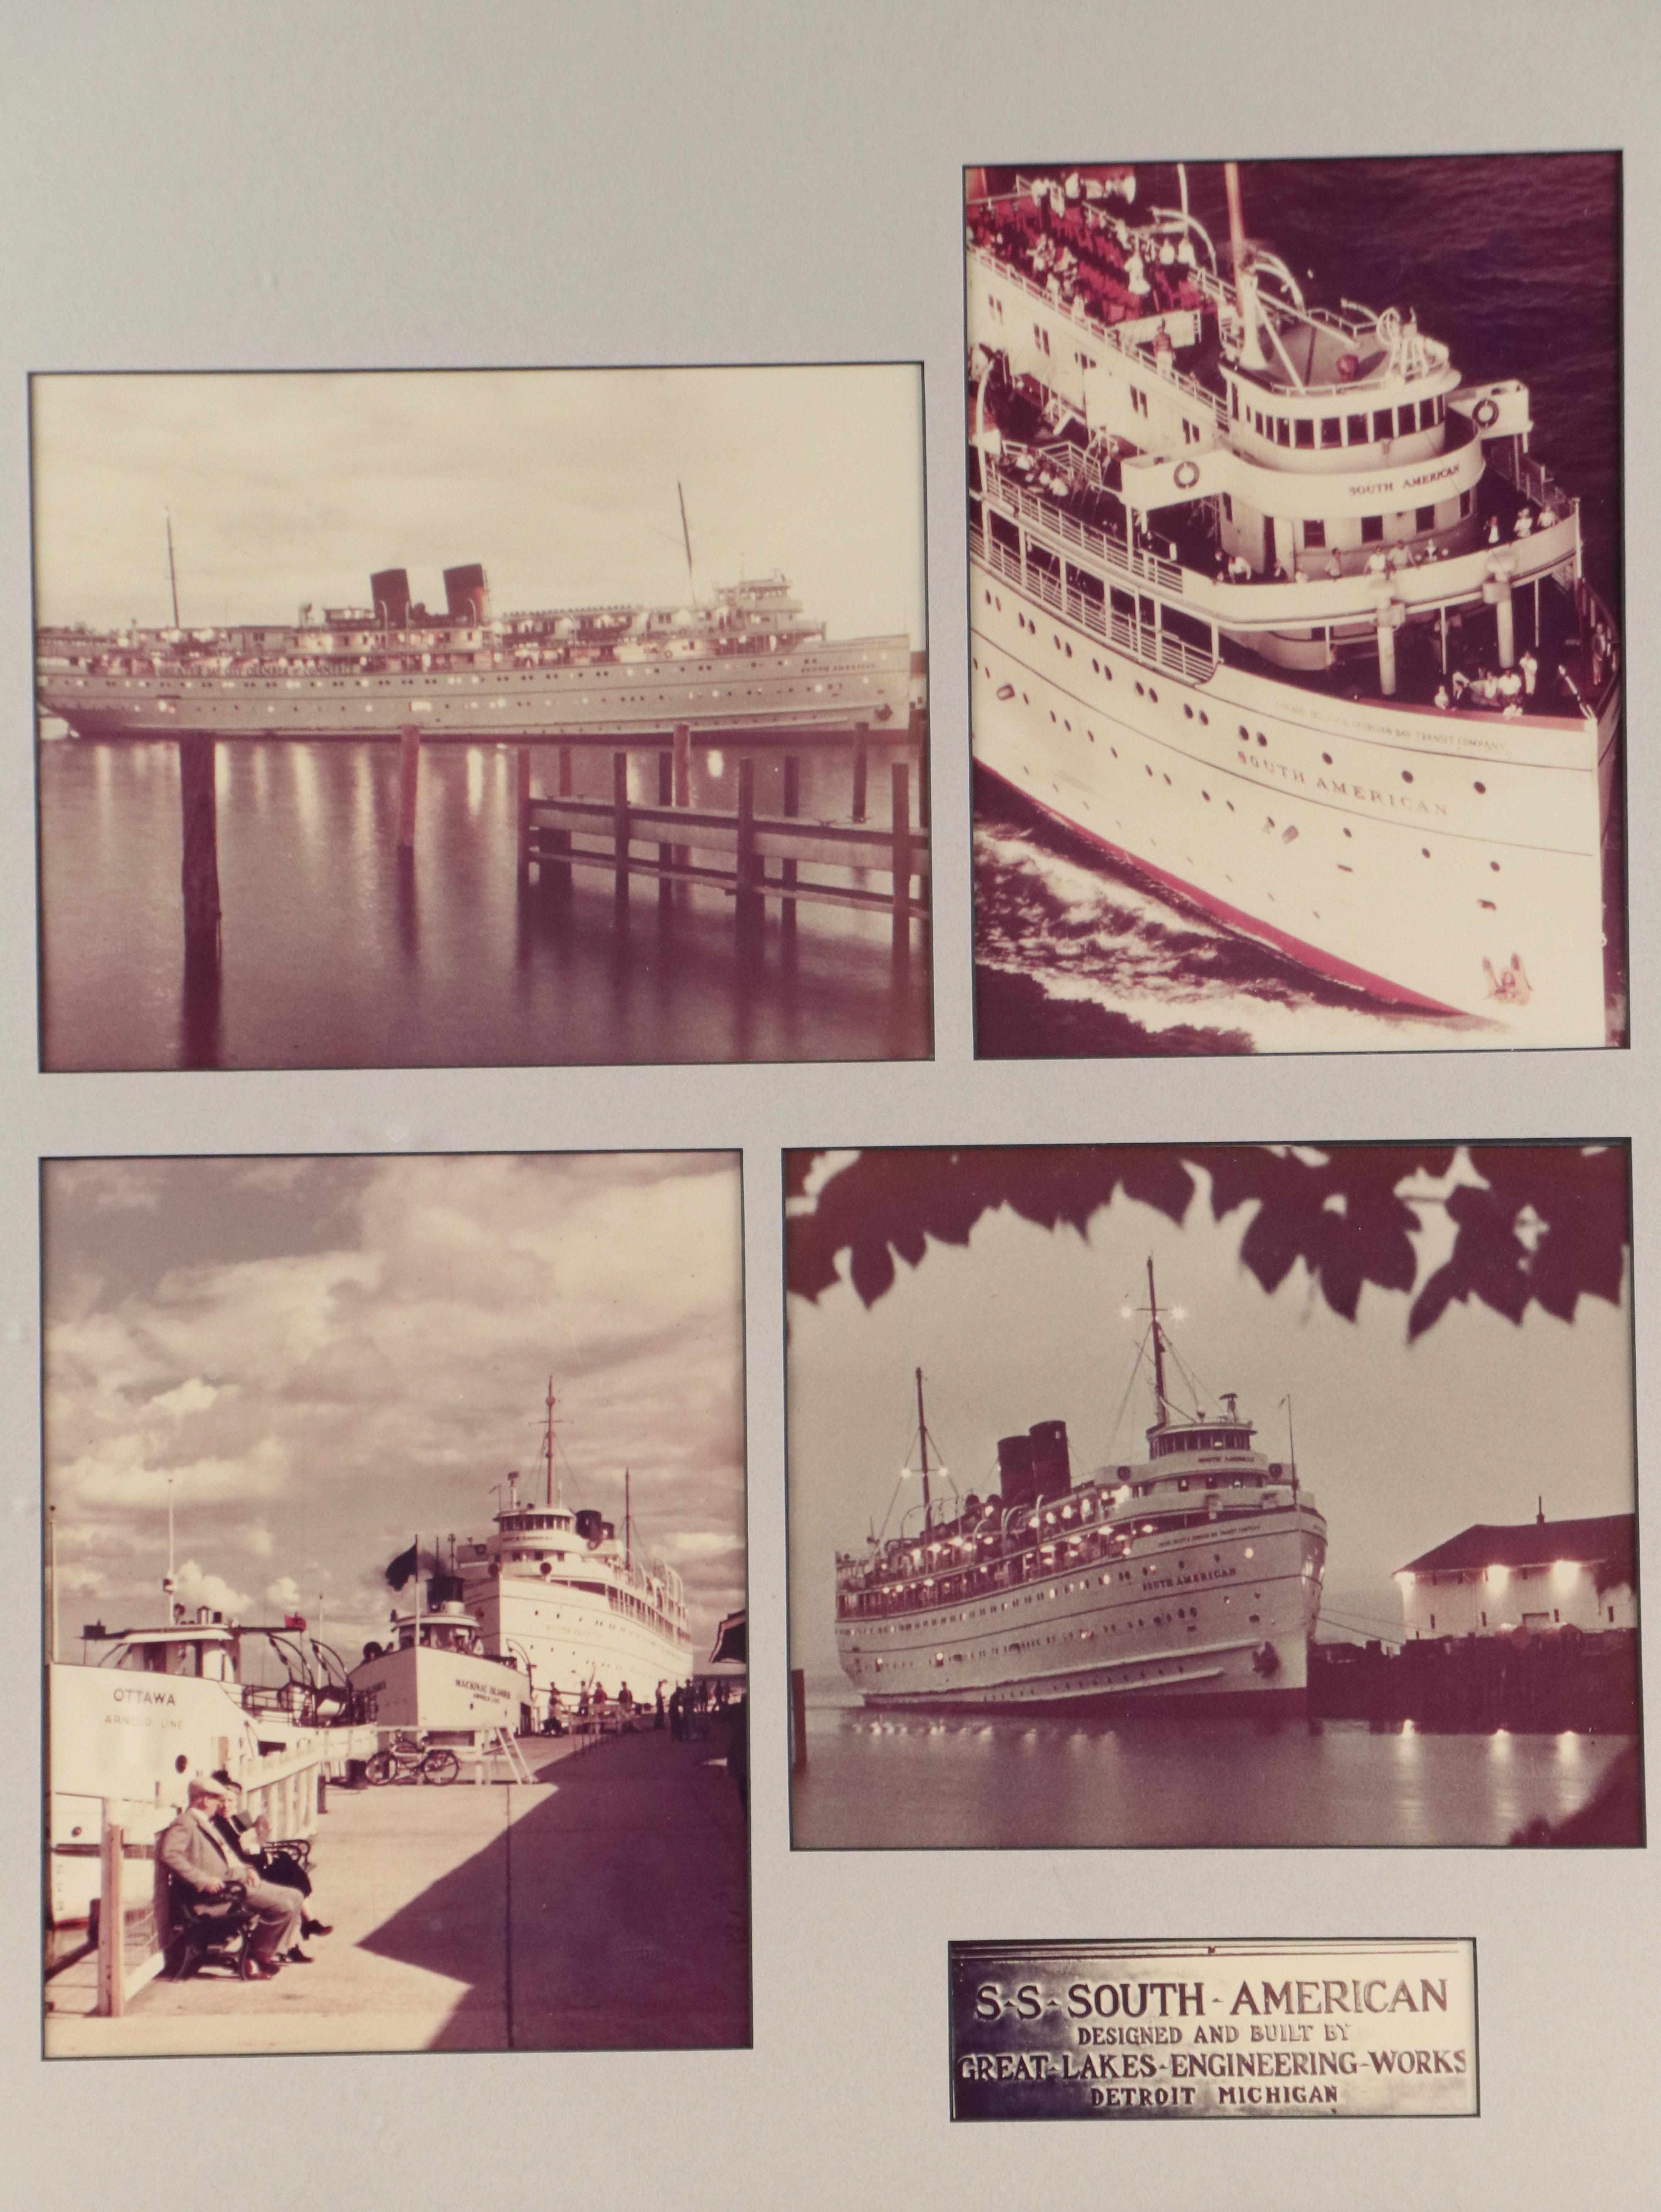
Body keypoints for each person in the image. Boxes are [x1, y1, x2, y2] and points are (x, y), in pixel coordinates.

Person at [160, 1778, 305, 1978]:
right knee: (283, 1906)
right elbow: (170, 1855)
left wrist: (247, 1869)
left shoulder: (204, 1822)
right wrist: (203, 1881)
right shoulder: (185, 1823)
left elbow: (226, 1856)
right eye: (216, 1800)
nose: (220, 1804)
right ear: (204, 1800)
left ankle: (264, 1955)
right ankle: (254, 1958)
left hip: (237, 1883)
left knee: (296, 1896)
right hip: (221, 1894)